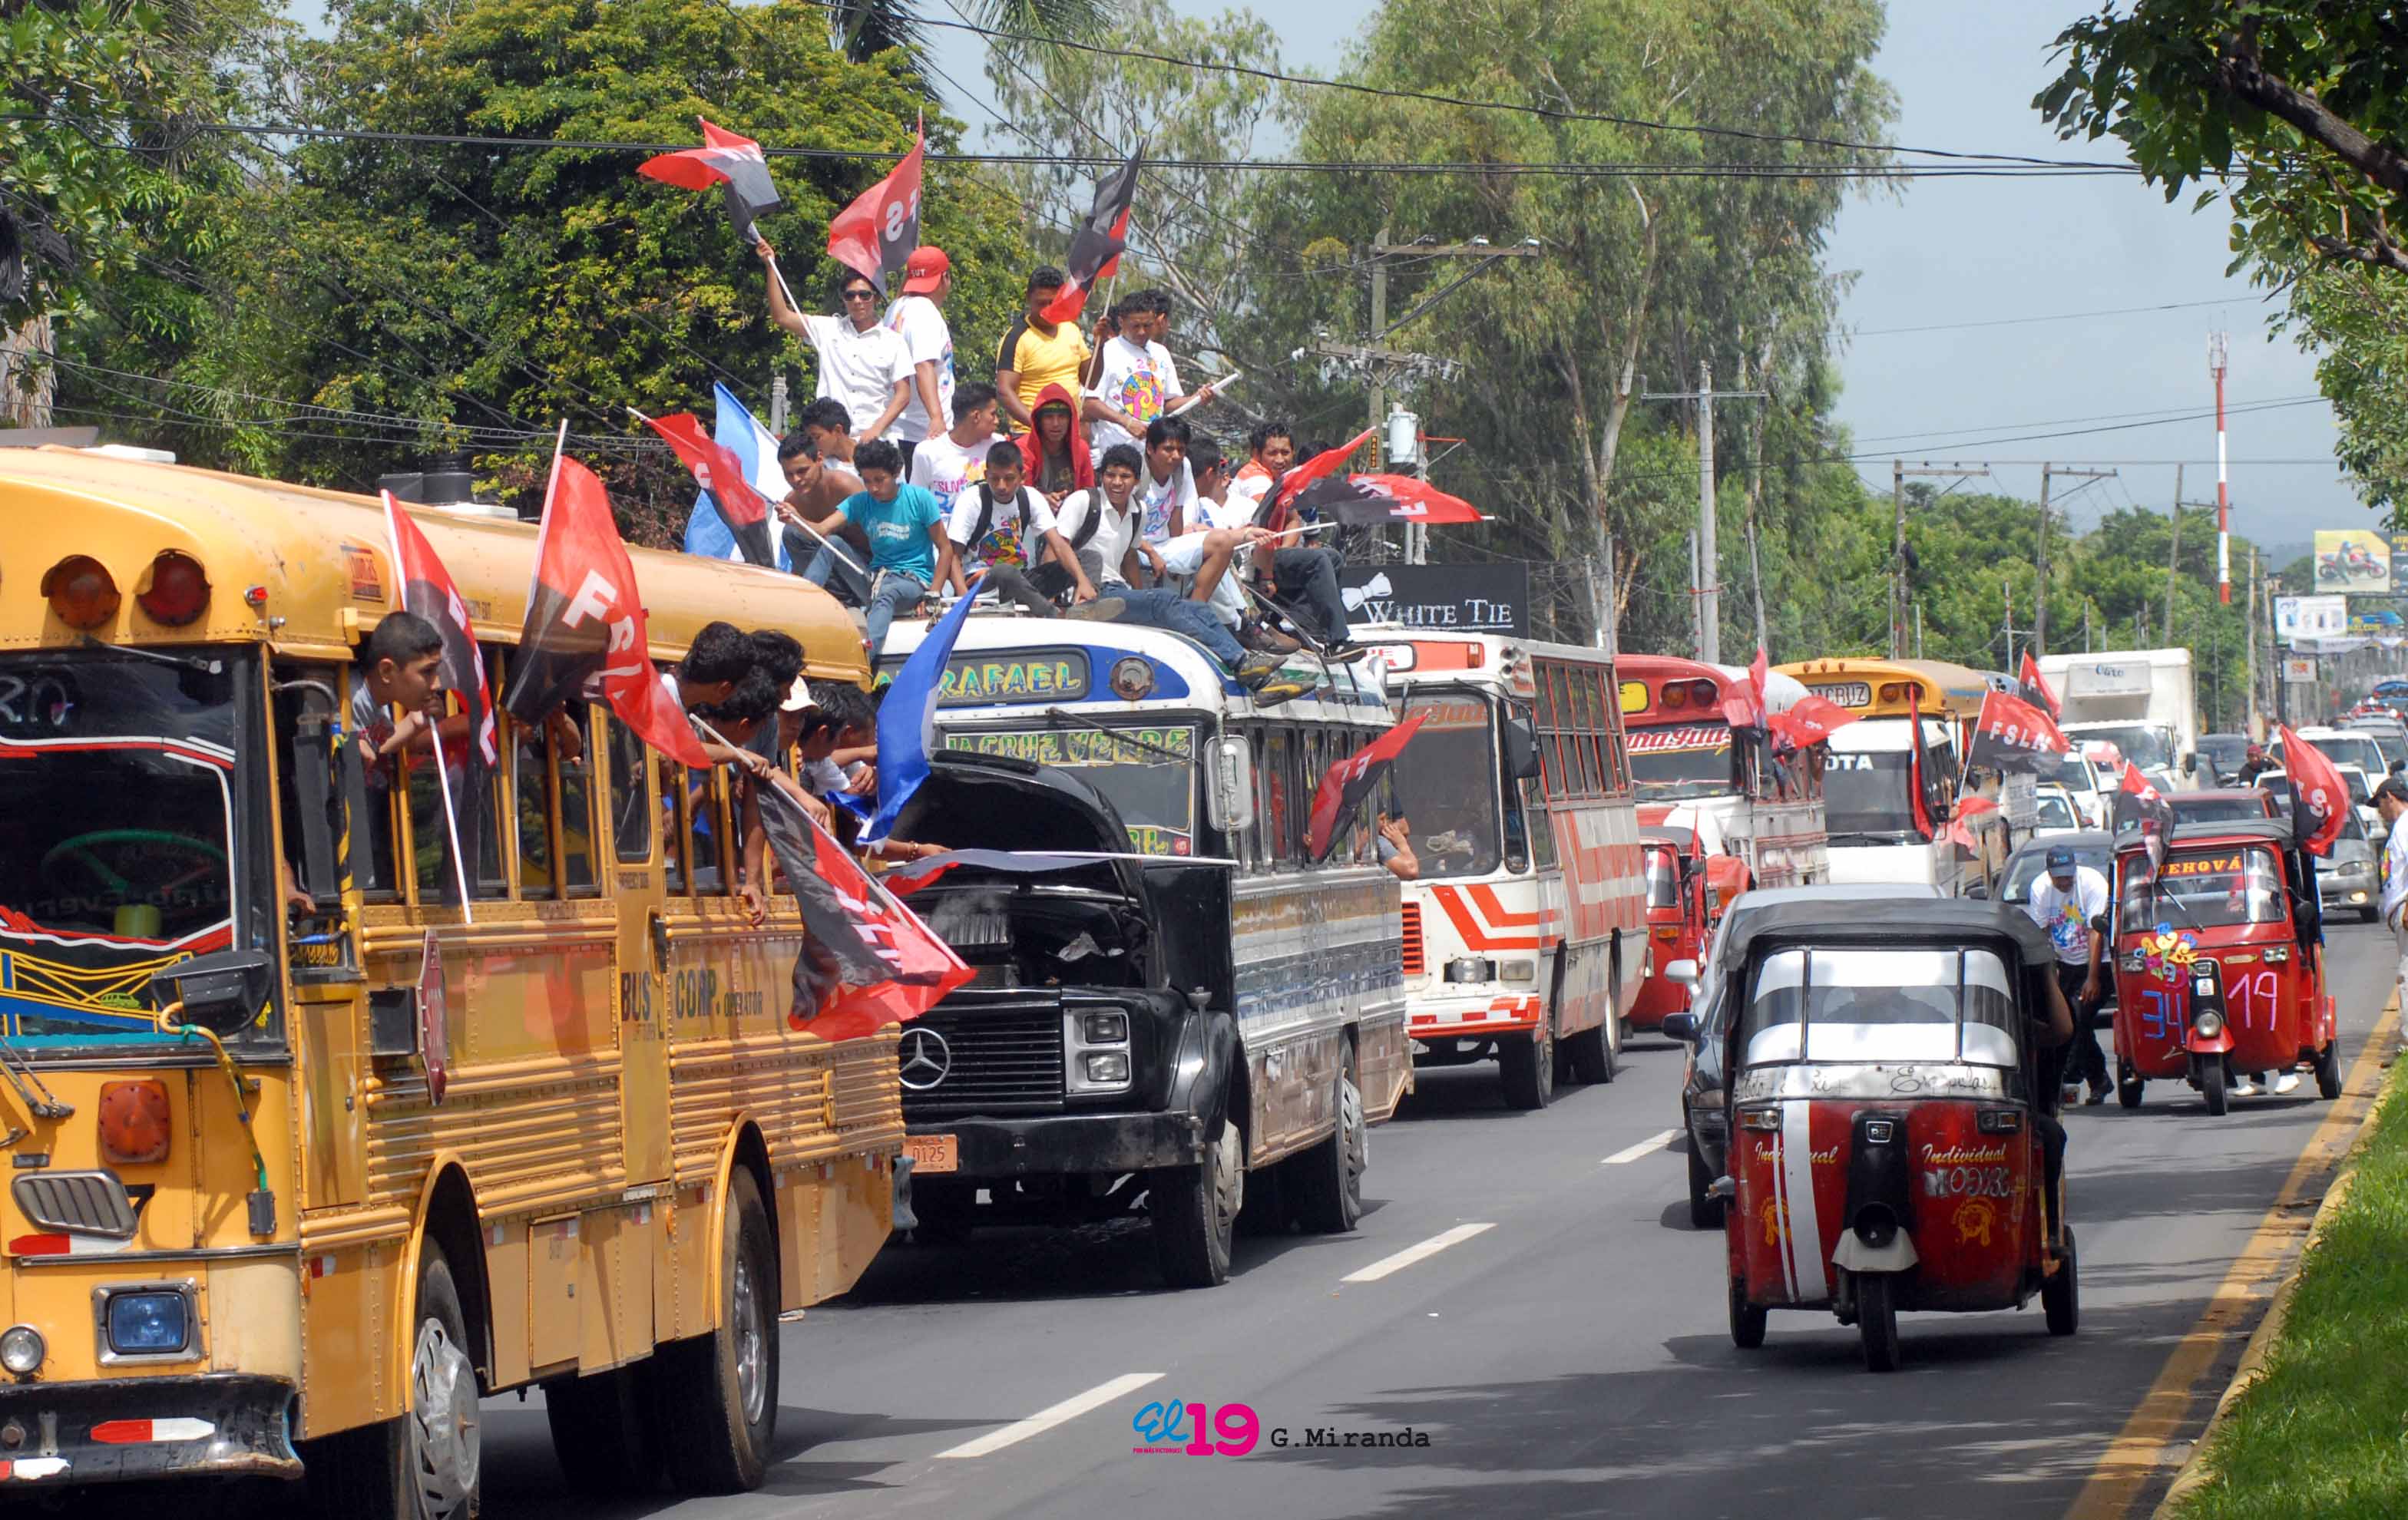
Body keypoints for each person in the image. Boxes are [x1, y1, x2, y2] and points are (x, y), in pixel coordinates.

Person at [1058, 444, 1286, 691]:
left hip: (1116, 592)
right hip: (1088, 594)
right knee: (1163, 600)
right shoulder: (1084, 501)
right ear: (1101, 476)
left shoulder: (1138, 511)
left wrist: (1140, 595)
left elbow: (1130, 556)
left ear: (1137, 481)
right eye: (1110, 475)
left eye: (1125, 476)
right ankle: (1242, 661)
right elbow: (1058, 544)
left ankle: (1261, 683)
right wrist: (1078, 584)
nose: (1117, 483)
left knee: (1200, 609)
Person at [799, 438, 966, 655]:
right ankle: (803, 602)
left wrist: (933, 595)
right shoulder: (860, 502)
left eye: (880, 480)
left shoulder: (920, 499)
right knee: (833, 543)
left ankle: (865, 658)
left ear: (896, 473)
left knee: (888, 591)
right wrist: (795, 518)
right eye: (867, 481)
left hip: (912, 582)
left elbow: (945, 549)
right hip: (876, 579)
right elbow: (821, 530)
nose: (873, 488)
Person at [756, 240, 911, 445]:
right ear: (843, 299)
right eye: (850, 295)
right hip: (831, 442)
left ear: (875, 298)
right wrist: (770, 267)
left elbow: (904, 393)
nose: (857, 301)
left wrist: (876, 429)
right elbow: (782, 317)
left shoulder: (894, 341)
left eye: (864, 295)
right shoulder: (829, 329)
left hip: (874, 442)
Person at [949, 441, 1083, 617]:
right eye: (995, 478)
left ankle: (1086, 606)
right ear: (986, 475)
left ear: (1022, 477)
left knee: (1087, 559)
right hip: (981, 584)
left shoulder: (1031, 497)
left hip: (1021, 580)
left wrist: (1082, 581)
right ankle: (1053, 615)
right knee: (1005, 571)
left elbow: (1058, 545)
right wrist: (964, 598)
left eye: (1009, 478)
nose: (1001, 486)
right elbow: (953, 556)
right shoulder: (972, 500)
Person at [2025, 844, 2112, 1106]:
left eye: (2068, 876)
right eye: (2059, 877)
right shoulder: (2040, 888)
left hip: (2097, 961)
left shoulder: (2092, 883)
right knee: (2070, 1024)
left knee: (2080, 1019)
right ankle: (2097, 1080)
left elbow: (2095, 932)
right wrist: (2049, 975)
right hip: (2066, 963)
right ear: (2049, 874)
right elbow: (2042, 933)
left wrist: (2093, 978)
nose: (2064, 882)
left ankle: (2077, 1076)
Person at [1083, 292, 1214, 457]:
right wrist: (1126, 422)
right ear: (1121, 322)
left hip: (1154, 455)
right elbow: (1088, 402)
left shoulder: (1161, 353)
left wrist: (1196, 399)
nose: (1142, 332)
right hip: (1117, 454)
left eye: (1147, 325)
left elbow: (1166, 402)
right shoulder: (1107, 351)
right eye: (1135, 326)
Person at [994, 267, 1092, 432]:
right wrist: (1039, 427)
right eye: (1041, 303)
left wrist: (1100, 344)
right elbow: (1004, 391)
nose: (1047, 309)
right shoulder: (1016, 338)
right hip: (1030, 434)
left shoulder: (1071, 329)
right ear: (1028, 298)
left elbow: (1091, 380)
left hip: (1068, 435)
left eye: (1052, 303)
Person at [883, 246, 955, 469]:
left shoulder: (896, 307)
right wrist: (937, 417)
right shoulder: (925, 313)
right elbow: (923, 366)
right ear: (945, 278)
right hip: (924, 432)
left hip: (898, 426)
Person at [906, 382, 1003, 519]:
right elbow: (916, 504)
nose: (997, 421)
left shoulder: (997, 445)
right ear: (976, 416)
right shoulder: (928, 452)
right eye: (993, 414)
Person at [1015, 384, 1092, 505]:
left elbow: (1089, 493)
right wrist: (1042, 500)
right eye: (1049, 417)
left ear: (1070, 420)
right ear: (1039, 420)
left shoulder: (1081, 448)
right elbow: (1019, 493)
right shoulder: (1023, 449)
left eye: (1062, 417)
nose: (1056, 423)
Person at [1134, 414, 1198, 552]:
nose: (1176, 456)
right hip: (1135, 548)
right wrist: (1151, 554)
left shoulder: (1182, 467)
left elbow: (1177, 513)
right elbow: (1122, 526)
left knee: (1220, 542)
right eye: (1168, 449)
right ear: (1150, 449)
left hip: (1164, 546)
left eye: (1181, 450)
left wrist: (1178, 553)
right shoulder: (1135, 469)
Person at [1231, 420, 1295, 512]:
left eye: (1285, 453)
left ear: (1293, 453)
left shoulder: (1256, 472)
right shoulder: (1258, 480)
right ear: (1256, 454)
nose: (1280, 460)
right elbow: (1267, 515)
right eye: (1272, 453)